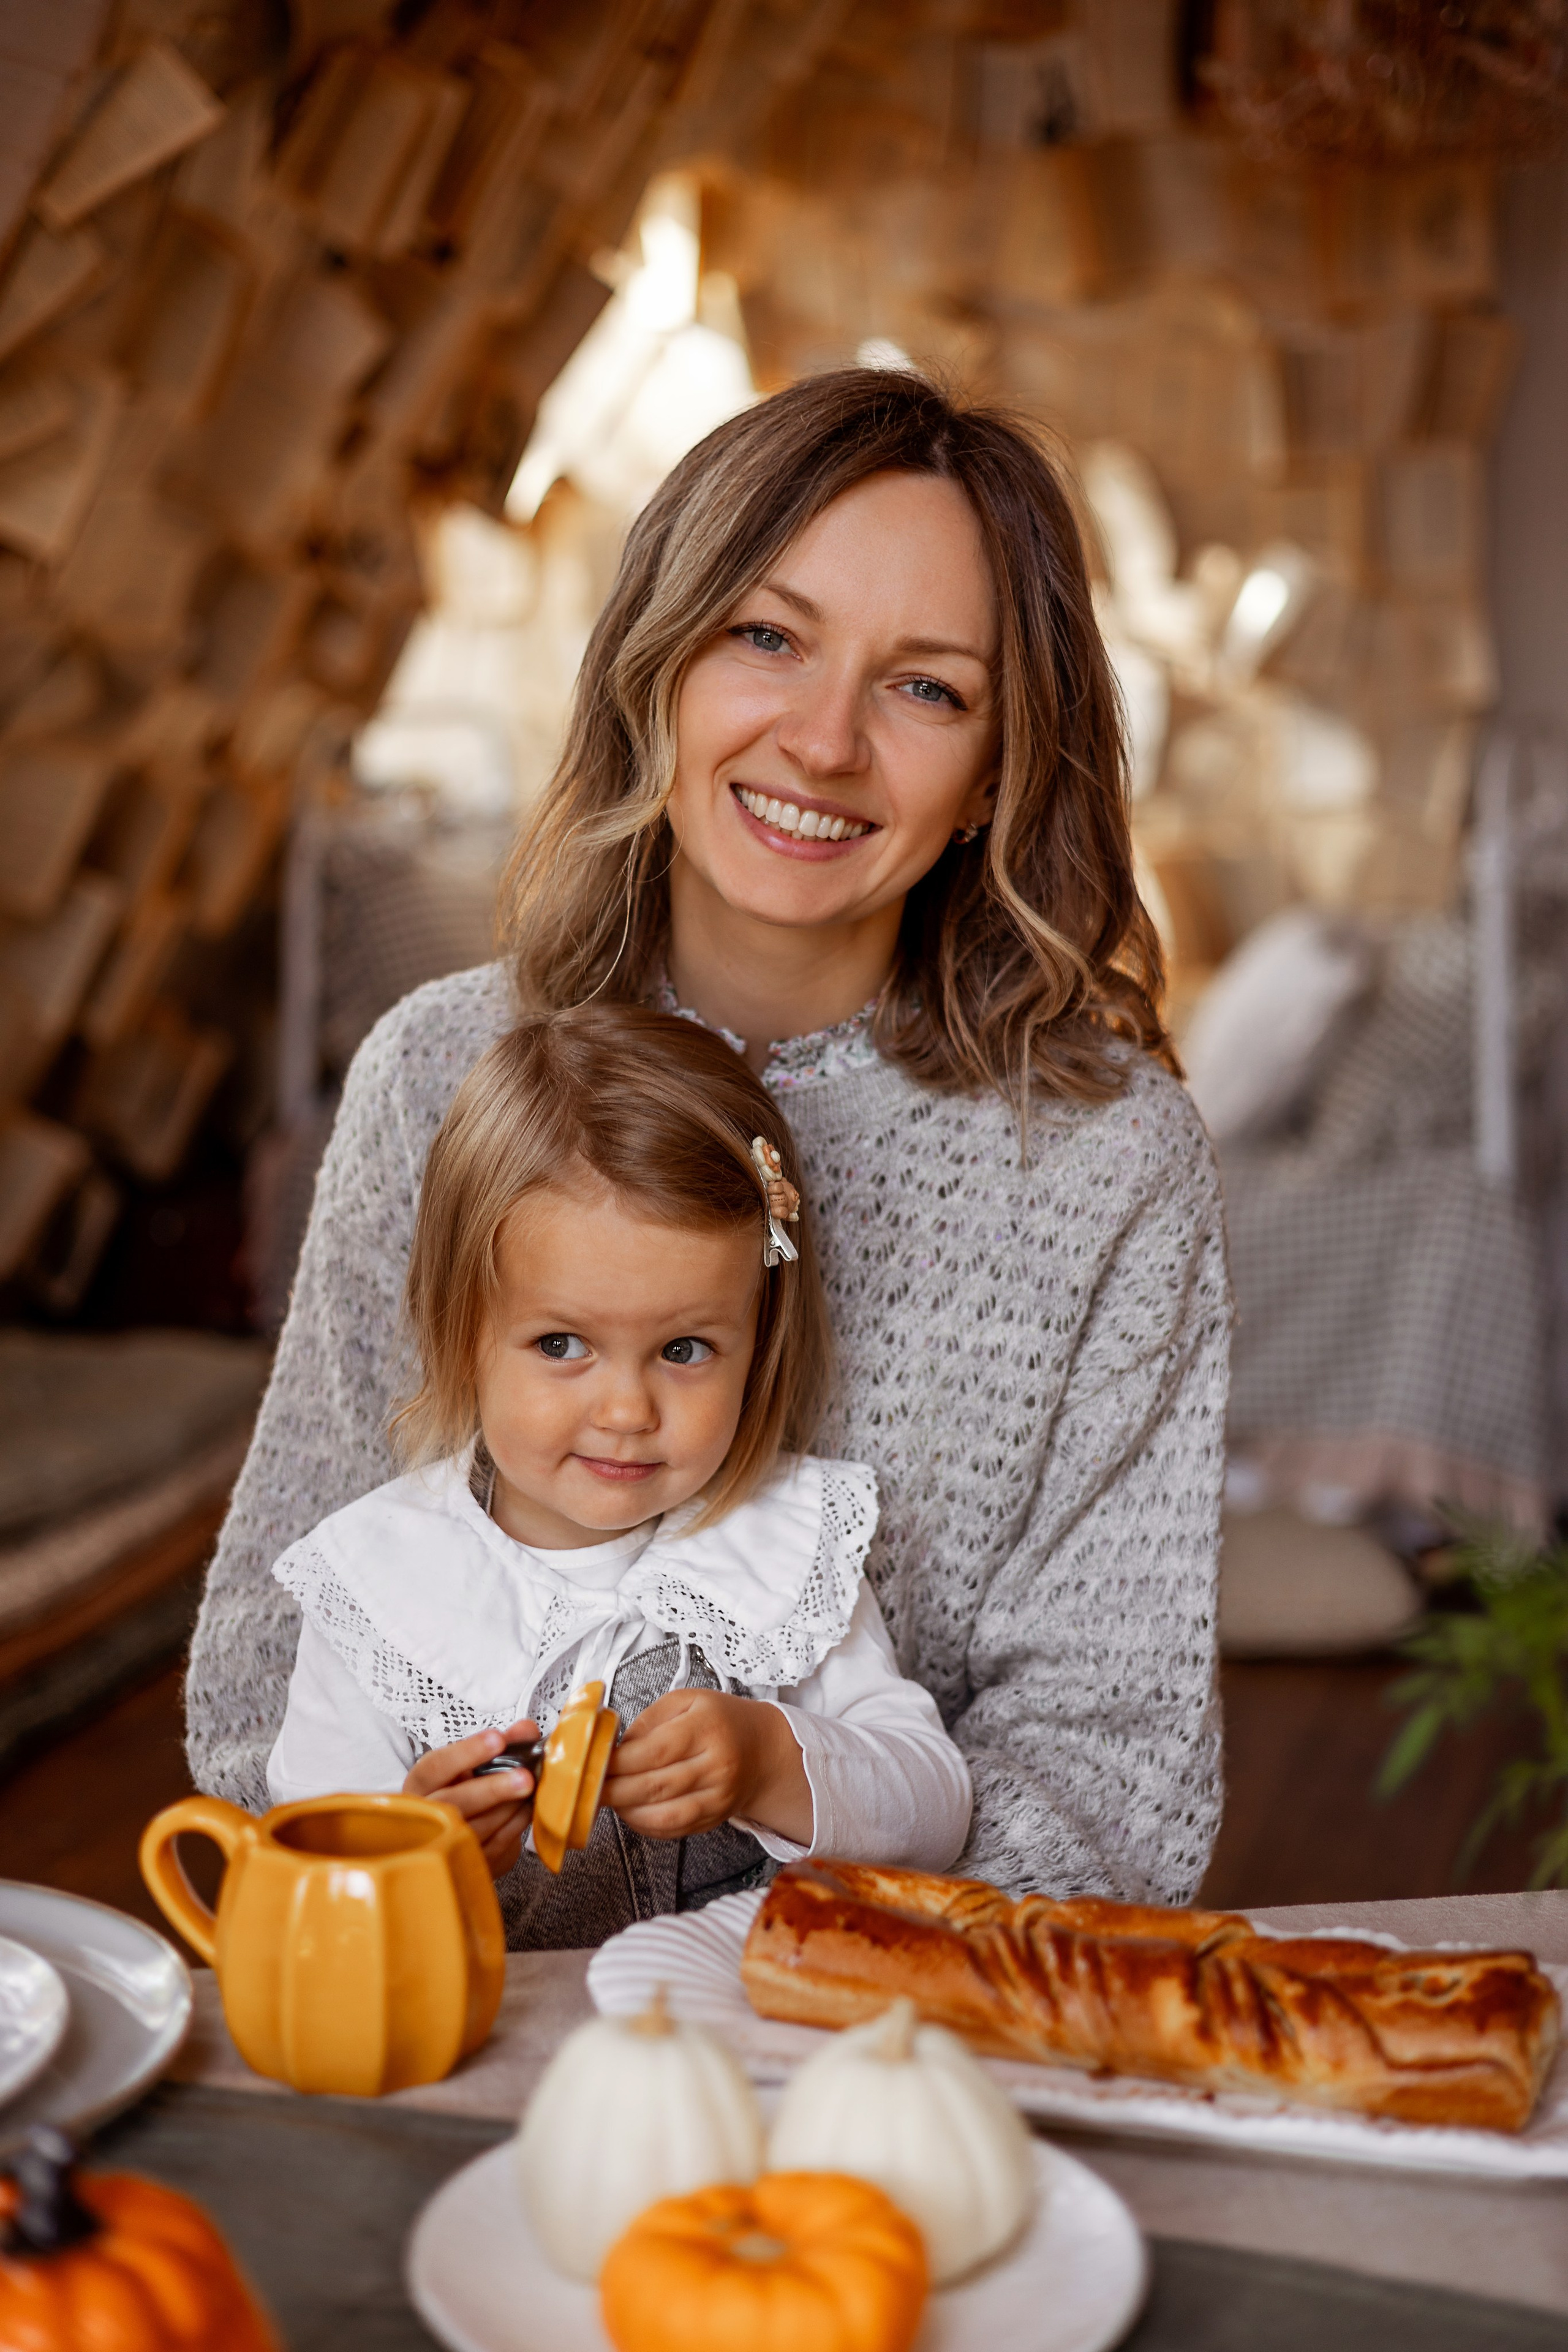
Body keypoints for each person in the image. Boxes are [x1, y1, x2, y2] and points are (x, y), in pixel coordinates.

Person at [187, 367, 1231, 1911]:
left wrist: (765, 1938)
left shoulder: (1106, 1165)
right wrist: (397, 1861)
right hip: (459, 1995)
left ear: (995, 776)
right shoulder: (433, 1075)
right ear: (657, 660)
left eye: (925, 688)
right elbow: (260, 1695)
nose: (821, 742)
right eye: (766, 637)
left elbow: (1117, 1788)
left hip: (879, 2028)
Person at [264, 1006, 970, 1947]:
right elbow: (303, 1899)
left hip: (736, 2026)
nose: (628, 1410)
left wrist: (770, 1764)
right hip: (491, 2046)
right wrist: (409, 1846)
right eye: (562, 1345)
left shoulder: (785, 1547)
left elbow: (934, 1808)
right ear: (460, 1332)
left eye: (685, 1349)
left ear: (757, 1347)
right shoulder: (380, 1585)